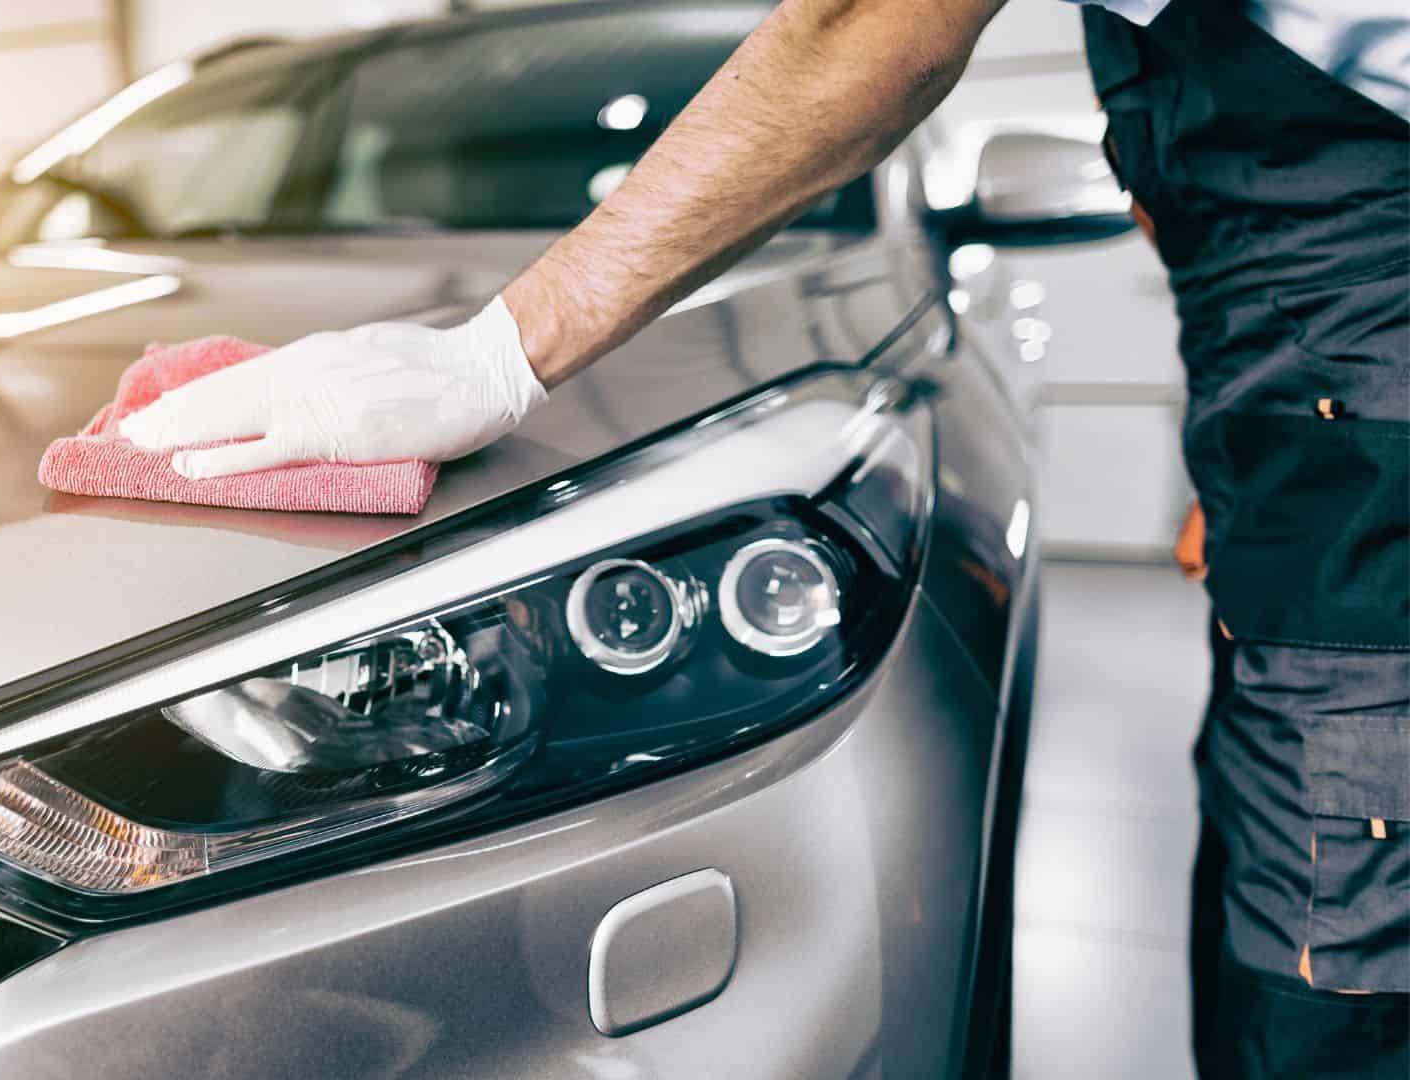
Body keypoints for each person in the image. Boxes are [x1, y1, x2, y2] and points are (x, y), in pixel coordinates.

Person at [123, 1, 1409, 1073]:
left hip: (1367, 434)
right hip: (1323, 447)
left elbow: (868, 21)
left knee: (1338, 945)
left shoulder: (868, 336)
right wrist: (1264, 461)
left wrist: (502, 352)